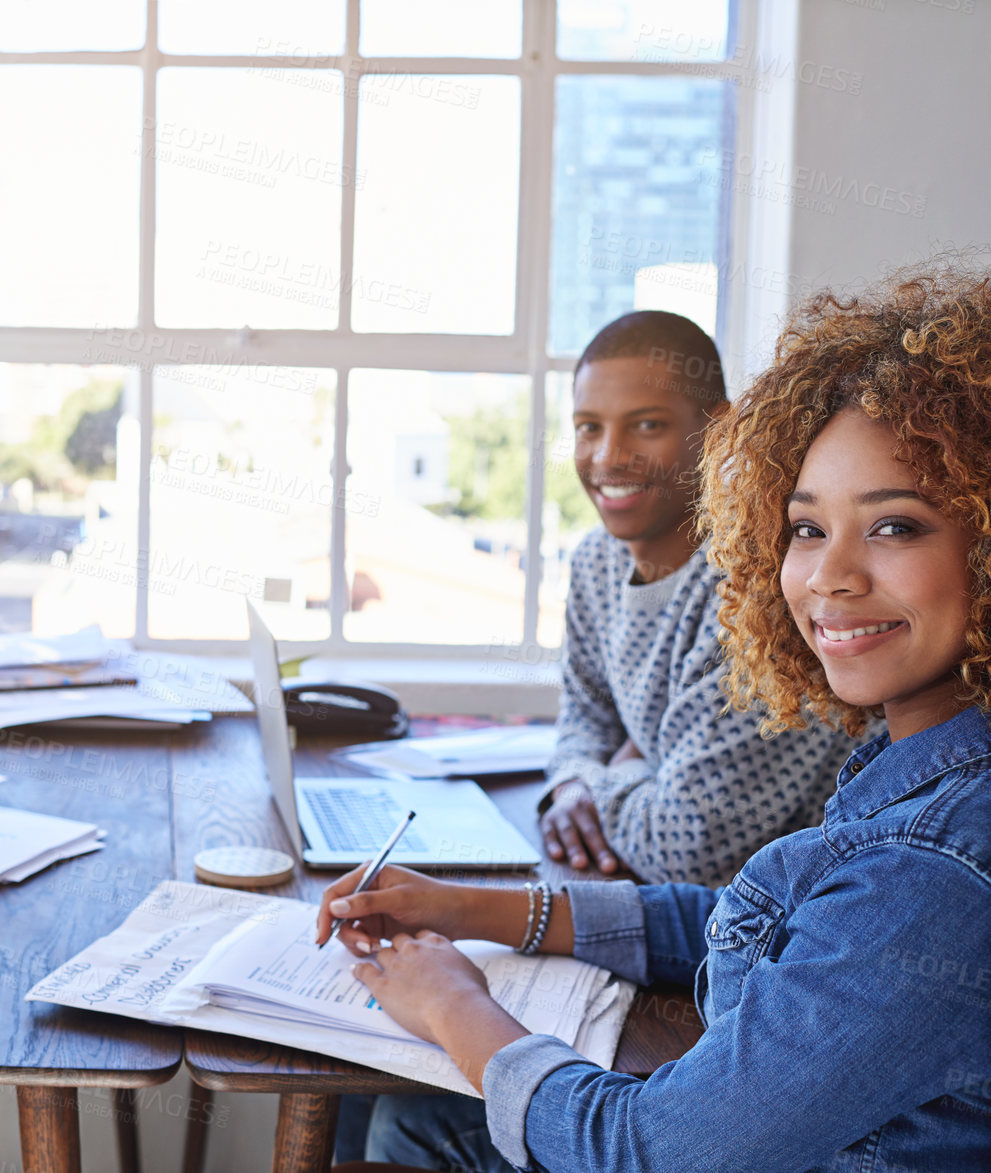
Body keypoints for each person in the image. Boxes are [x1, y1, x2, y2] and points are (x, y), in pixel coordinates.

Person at [320, 267, 991, 1171]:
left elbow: (649, 1150)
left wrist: (452, 1003)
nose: (829, 575)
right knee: (394, 1105)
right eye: (803, 527)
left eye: (894, 526)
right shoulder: (916, 763)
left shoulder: (932, 869)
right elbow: (749, 918)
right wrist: (468, 906)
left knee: (405, 1112)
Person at [538, 310, 863, 885]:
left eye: (645, 425)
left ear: (717, 431)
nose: (609, 456)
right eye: (589, 426)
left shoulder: (763, 586)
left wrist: (608, 775)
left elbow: (689, 845)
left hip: (781, 923)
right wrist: (574, 783)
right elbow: (584, 717)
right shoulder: (595, 562)